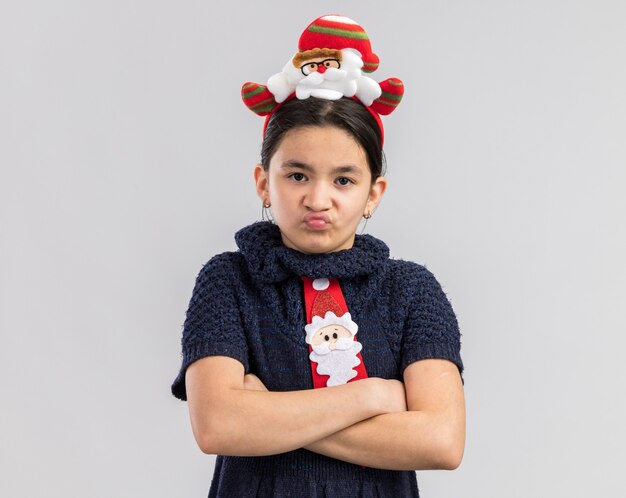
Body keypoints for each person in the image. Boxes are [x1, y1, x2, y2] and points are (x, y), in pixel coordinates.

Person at [171, 14, 465, 498]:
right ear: (264, 182)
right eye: (297, 175)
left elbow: (441, 441)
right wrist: (371, 396)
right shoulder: (228, 280)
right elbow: (218, 426)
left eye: (344, 180)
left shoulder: (411, 290)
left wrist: (269, 414)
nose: (318, 199)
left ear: (373, 194)